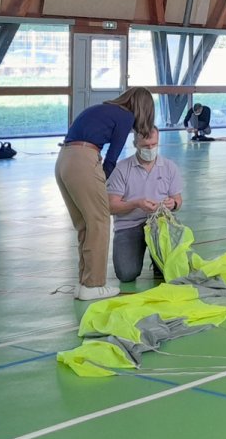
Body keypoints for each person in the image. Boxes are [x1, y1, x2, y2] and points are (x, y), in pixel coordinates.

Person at [55, 87, 156, 301]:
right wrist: (101, 179)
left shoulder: (103, 109)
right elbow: (112, 157)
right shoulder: (125, 117)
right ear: (143, 108)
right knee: (100, 220)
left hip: (64, 158)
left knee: (85, 224)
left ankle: (84, 283)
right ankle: (94, 284)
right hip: (84, 160)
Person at [107, 127, 184, 285]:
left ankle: (158, 261)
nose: (150, 149)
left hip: (160, 224)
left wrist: (173, 203)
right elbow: (111, 206)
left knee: (171, 270)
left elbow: (178, 200)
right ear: (135, 144)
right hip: (129, 225)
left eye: (154, 144)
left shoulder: (169, 167)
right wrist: (136, 204)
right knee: (126, 274)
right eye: (145, 146)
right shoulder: (122, 168)